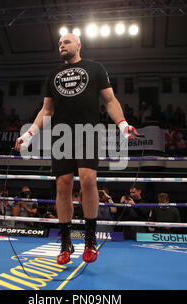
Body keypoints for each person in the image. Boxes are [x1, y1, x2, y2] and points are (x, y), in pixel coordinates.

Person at [14, 33, 140, 265]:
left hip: (89, 130)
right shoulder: (52, 74)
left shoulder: (95, 68)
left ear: (79, 45)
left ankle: (90, 241)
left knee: (88, 179)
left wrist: (123, 125)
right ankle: (65, 243)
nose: (62, 45)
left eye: (67, 41)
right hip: (61, 133)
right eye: (60, 43)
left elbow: (110, 100)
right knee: (62, 185)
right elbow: (46, 110)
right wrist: (29, 134)